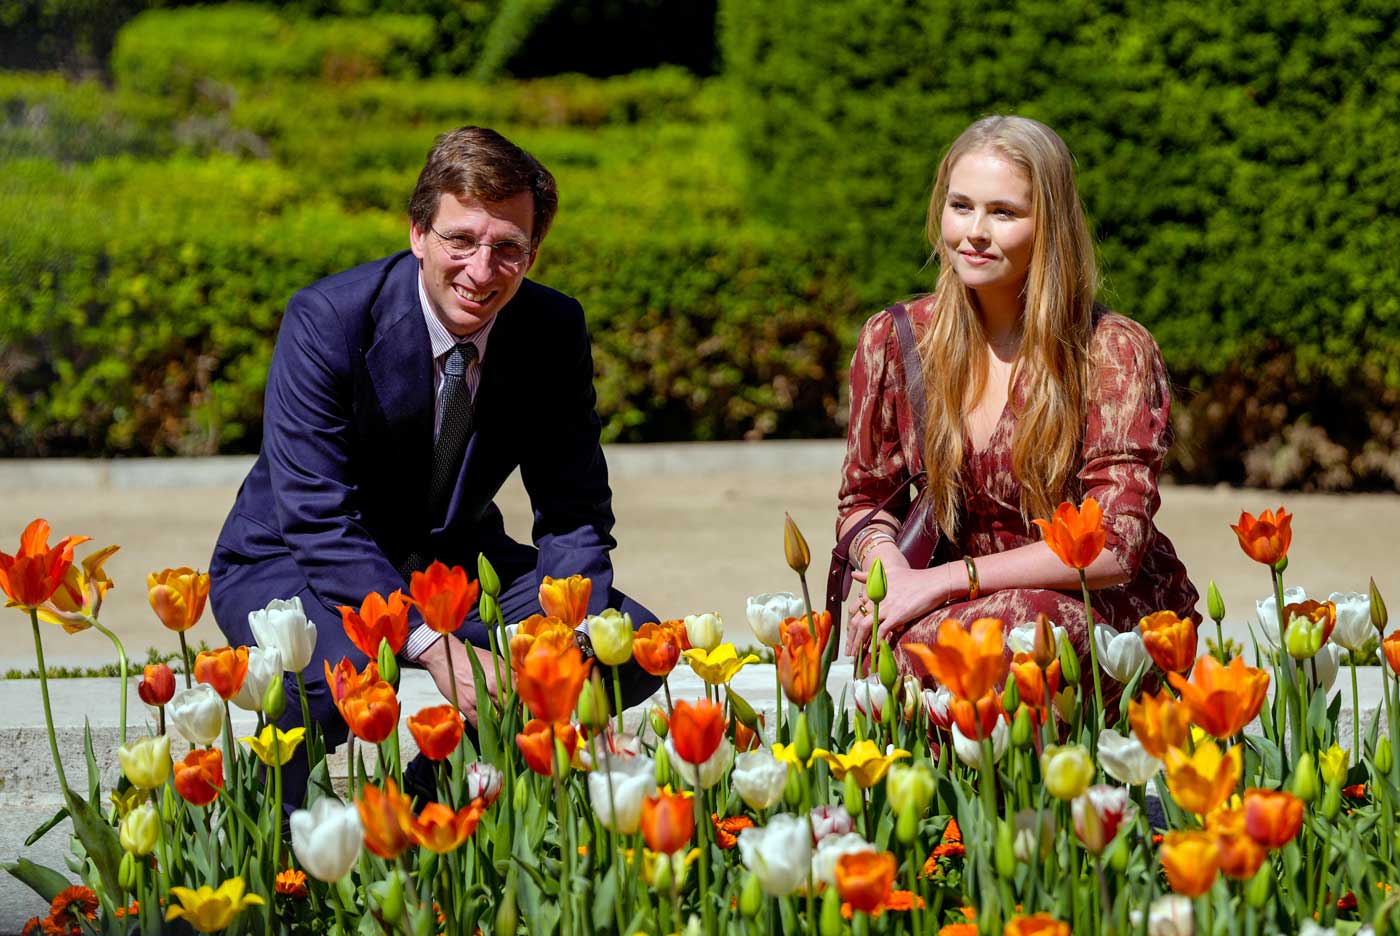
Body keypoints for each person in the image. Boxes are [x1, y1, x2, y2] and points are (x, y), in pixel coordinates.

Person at [209, 126, 660, 807]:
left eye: (508, 248)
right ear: (418, 233)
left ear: (533, 253)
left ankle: (436, 794)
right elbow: (316, 515)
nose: (482, 270)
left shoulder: (552, 327)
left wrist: (563, 635)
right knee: (348, 675)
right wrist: (433, 645)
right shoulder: (327, 319)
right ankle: (275, 839)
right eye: (461, 240)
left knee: (631, 647)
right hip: (296, 560)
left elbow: (575, 509)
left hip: (450, 565)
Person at [838, 115, 1199, 685]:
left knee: (1035, 630)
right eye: (961, 206)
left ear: (1049, 226)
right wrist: (891, 570)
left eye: (1003, 212)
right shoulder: (894, 341)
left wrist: (945, 580)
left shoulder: (1109, 352)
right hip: (934, 613)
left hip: (1089, 620)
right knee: (911, 644)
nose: (974, 231)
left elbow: (1114, 545)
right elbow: (862, 502)